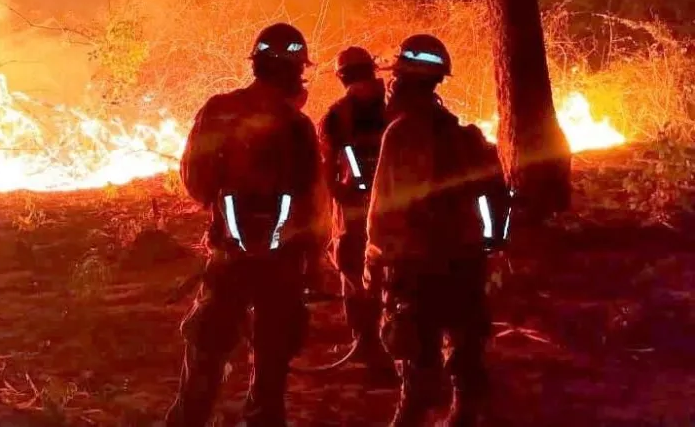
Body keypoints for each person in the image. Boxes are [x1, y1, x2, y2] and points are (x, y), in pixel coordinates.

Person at [165, 23, 329, 427]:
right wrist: (314, 259)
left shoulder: (219, 110)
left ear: (256, 64)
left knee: (206, 355)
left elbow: (195, 181)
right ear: (297, 72)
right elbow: (314, 200)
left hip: (228, 259)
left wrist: (227, 213)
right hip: (283, 265)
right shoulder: (298, 126)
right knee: (271, 369)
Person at [367, 34, 512, 427]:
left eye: (396, 78)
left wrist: (375, 259)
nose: (391, 86)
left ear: (405, 82)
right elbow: (499, 195)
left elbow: (383, 209)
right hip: (464, 262)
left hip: (416, 268)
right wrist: (491, 245)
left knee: (416, 367)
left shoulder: (399, 135)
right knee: (465, 359)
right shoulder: (466, 136)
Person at [317, 46, 396, 381]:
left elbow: (325, 172)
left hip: (353, 211)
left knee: (353, 275)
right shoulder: (396, 107)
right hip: (394, 207)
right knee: (390, 275)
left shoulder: (335, 116)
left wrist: (335, 203)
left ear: (340, 77)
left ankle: (366, 344)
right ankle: (390, 344)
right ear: (373, 70)